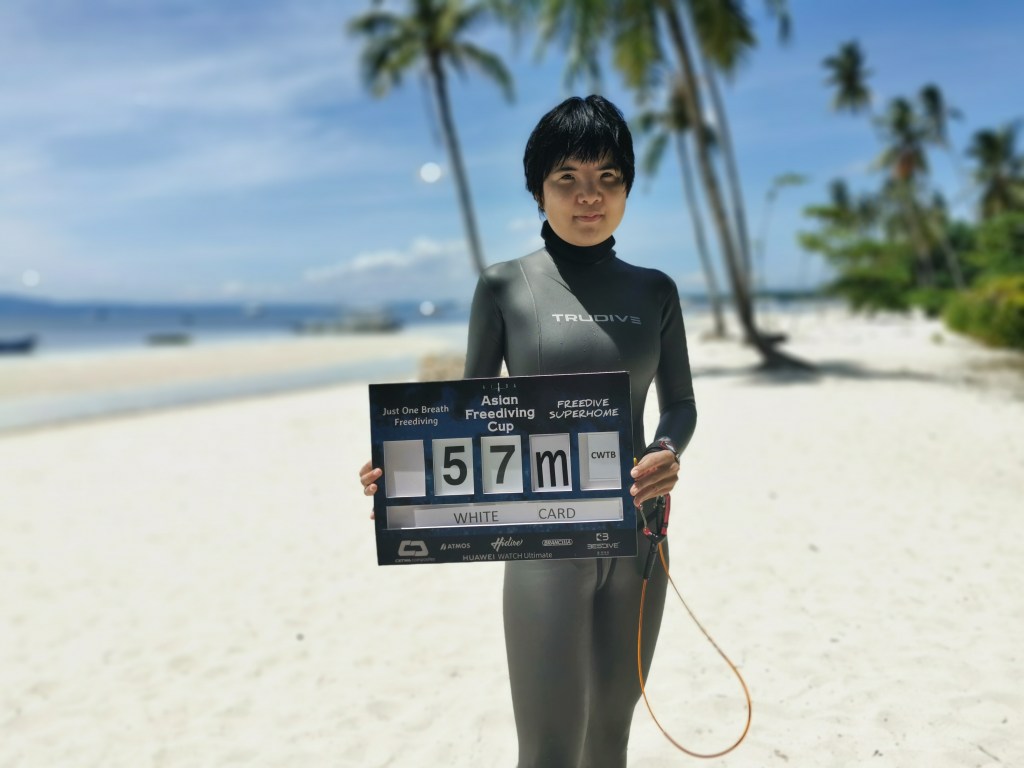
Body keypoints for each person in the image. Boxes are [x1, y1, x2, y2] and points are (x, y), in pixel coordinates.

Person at [359, 94, 697, 768]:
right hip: (544, 544)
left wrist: (666, 450)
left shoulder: (655, 291)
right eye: (567, 177)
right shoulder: (505, 286)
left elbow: (681, 403)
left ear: (627, 187)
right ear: (538, 190)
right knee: (548, 748)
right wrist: (404, 475)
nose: (588, 196)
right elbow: (469, 415)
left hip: (639, 536)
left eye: (607, 177)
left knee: (610, 738)